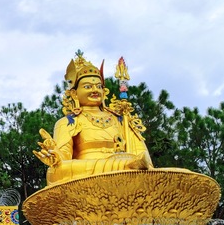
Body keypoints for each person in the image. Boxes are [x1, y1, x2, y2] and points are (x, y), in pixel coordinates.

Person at [34, 51, 153, 186]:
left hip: (128, 167)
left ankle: (123, 166)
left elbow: (143, 158)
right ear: (74, 94)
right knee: (56, 170)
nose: (95, 90)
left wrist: (139, 162)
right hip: (88, 173)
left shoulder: (121, 120)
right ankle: (121, 167)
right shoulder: (67, 122)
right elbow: (63, 159)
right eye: (88, 87)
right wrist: (55, 155)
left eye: (99, 86)